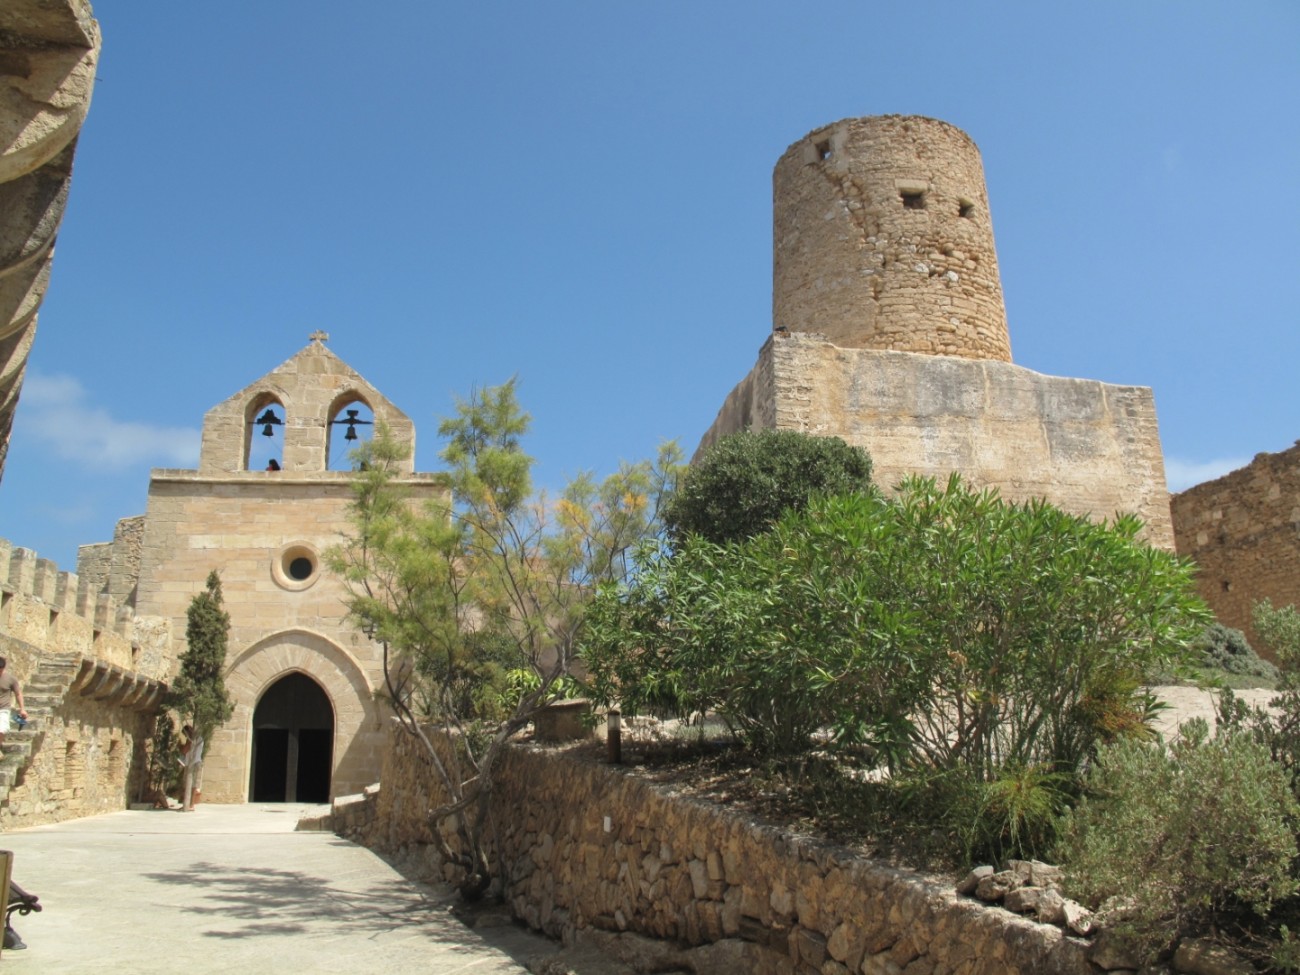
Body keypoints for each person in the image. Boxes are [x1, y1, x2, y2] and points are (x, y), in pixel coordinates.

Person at [0, 657, 28, 750]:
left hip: (3, 709)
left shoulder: (11, 679)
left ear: (3, 668)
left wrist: (22, 709)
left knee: (2, 729)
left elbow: (18, 694)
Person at [179, 724, 204, 809]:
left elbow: (185, 750)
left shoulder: (192, 739)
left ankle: (190, 805)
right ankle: (190, 804)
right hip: (195, 762)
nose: (186, 736)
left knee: (190, 784)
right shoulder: (199, 738)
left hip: (192, 763)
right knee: (193, 784)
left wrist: (180, 746)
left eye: (185, 734)